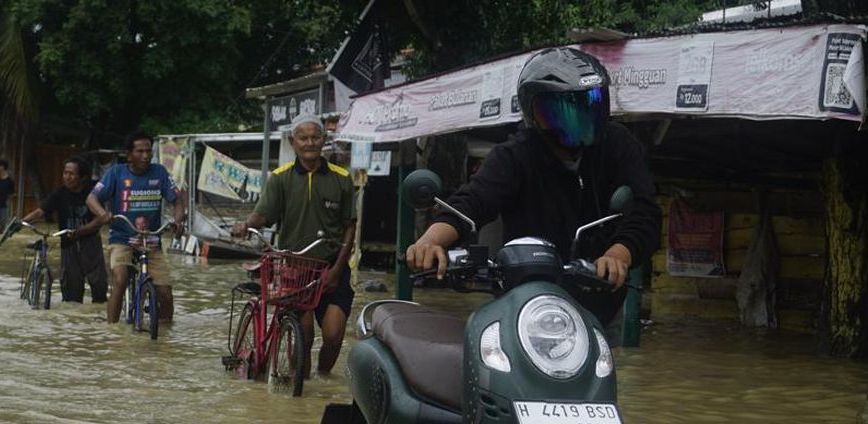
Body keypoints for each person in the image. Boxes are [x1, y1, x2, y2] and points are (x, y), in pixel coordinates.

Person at [405, 47, 661, 325]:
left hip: (597, 302)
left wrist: (617, 255)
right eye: (561, 111)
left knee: (606, 365)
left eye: (588, 106)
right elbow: (474, 200)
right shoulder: (516, 154)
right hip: (525, 300)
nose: (576, 120)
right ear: (532, 113)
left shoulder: (618, 145)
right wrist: (431, 241)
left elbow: (644, 211)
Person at [232, 113, 357, 376]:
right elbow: (263, 214)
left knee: (334, 335)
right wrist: (246, 224)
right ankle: (303, 386)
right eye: (303, 138)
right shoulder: (280, 178)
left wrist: (336, 270)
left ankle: (322, 379)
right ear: (293, 141)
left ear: (324, 140)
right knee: (304, 334)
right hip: (294, 267)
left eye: (315, 137)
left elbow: (349, 226)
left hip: (332, 266)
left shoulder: (341, 178)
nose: (310, 142)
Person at [87, 130, 186, 324]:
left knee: (165, 294)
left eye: (149, 151)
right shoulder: (115, 173)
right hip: (121, 239)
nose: (146, 156)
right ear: (129, 154)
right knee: (120, 279)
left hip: (151, 241)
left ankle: (165, 338)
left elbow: (178, 200)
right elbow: (91, 198)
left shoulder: (160, 172)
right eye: (140, 151)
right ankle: (112, 330)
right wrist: (102, 214)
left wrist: (178, 220)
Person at [21, 157, 107, 303]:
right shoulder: (59, 193)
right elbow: (41, 211)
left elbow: (101, 219)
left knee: (99, 289)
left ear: (83, 177)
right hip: (68, 245)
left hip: (91, 244)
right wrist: (22, 222)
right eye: (65, 173)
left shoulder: (93, 192)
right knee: (71, 295)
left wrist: (80, 231)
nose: (67, 177)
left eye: (71, 174)